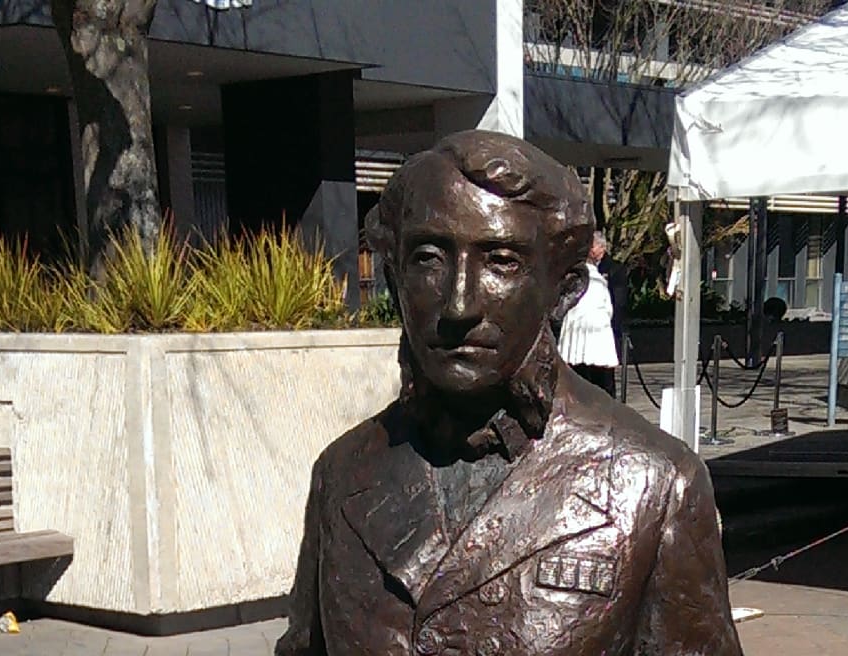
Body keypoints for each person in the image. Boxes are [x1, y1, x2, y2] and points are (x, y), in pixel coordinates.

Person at [275, 130, 742, 656]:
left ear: (563, 288)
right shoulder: (342, 473)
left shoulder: (654, 485)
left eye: (500, 261)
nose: (459, 305)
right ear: (393, 274)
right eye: (428, 257)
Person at [558, 234, 620, 396]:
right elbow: (608, 309)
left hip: (579, 336)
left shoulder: (573, 279)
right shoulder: (596, 281)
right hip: (595, 337)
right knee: (600, 384)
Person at [594, 232, 630, 392]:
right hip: (587, 329)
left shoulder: (615, 269)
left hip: (606, 328)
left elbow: (619, 301)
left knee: (605, 376)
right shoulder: (582, 268)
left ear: (601, 248)